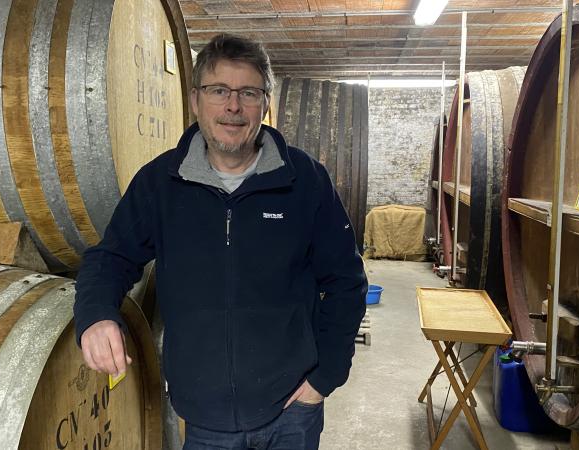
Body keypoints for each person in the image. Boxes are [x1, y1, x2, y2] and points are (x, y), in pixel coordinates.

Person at [74, 33, 367, 450]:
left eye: (248, 92)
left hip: (292, 410)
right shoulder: (161, 182)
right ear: (195, 100)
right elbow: (111, 257)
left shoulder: (305, 180)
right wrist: (96, 314)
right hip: (203, 416)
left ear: (265, 103)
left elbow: (346, 281)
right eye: (218, 91)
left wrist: (326, 377)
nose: (233, 106)